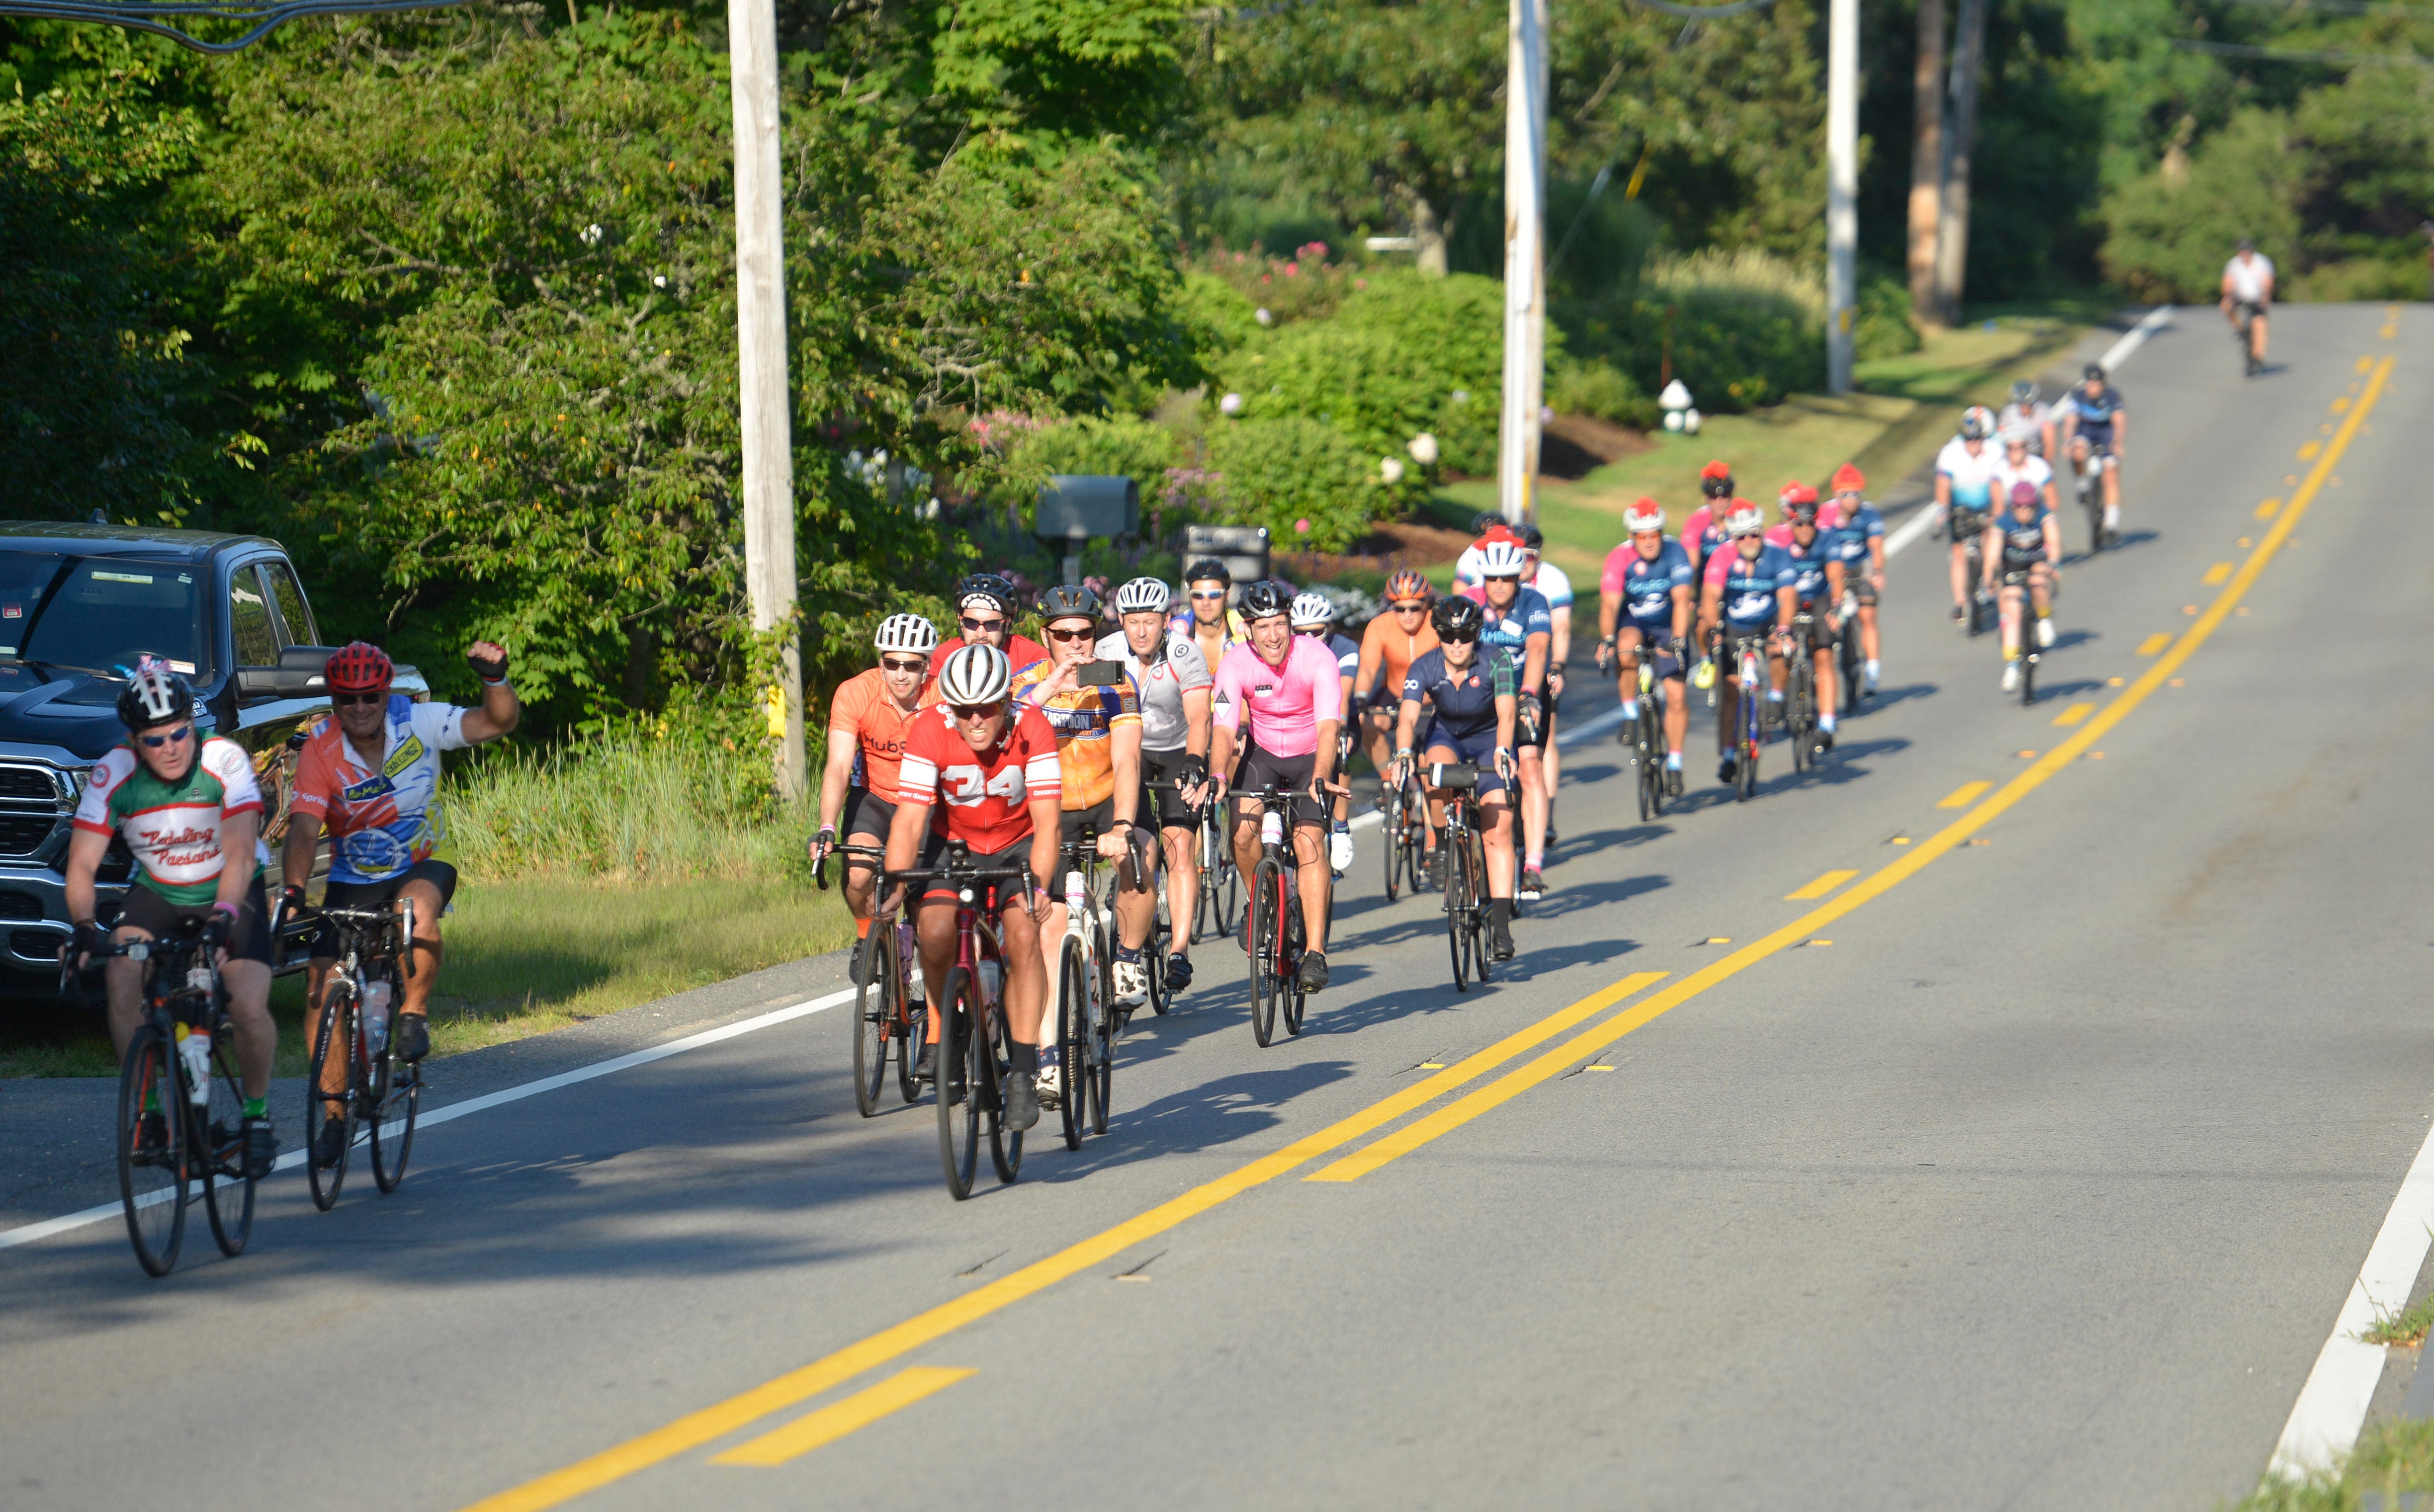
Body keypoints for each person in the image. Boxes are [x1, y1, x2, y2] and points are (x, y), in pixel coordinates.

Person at [282, 640, 521, 1167]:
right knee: (322, 989)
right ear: (336, 701)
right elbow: (302, 826)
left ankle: (413, 1013)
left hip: (423, 861)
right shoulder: (320, 747)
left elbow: (496, 723)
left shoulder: (419, 721)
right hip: (353, 874)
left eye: (370, 696)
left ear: (384, 692)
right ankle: (333, 1116)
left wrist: (496, 680)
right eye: (348, 699)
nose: (361, 707)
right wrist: (295, 890)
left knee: (413, 916)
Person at [65, 660, 280, 1180]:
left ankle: (255, 1118)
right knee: (121, 970)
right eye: (154, 740)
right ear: (134, 742)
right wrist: (85, 928)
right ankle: (150, 1113)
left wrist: (223, 921)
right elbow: (82, 864)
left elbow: (239, 855)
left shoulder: (223, 759)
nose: (171, 747)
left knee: (247, 1002)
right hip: (159, 889)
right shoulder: (113, 772)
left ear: (193, 725)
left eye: (180, 733)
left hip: (230, 887)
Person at [887, 644, 1061, 1131]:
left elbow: (1048, 825)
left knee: (1024, 933)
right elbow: (909, 822)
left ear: (1007, 701)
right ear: (949, 707)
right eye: (964, 711)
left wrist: (1040, 888)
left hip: (1017, 845)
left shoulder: (1032, 726)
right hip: (955, 845)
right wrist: (898, 885)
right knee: (935, 928)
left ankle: (1024, 1069)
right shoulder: (929, 730)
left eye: (987, 708)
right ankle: (949, 1026)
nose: (976, 721)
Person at [1010, 585, 1149, 1093]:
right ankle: (1048, 1046)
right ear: (1045, 637)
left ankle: (1129, 959)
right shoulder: (1027, 682)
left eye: (1085, 634)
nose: (1076, 644)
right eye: (1064, 635)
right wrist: (1053, 687)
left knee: (1144, 850)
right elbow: (1003, 728)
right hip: (1053, 806)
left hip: (1108, 795)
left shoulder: (1114, 679)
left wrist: (1123, 827)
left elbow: (1128, 758)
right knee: (1046, 921)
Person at [1210, 581, 1345, 993]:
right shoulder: (1235, 663)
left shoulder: (1317, 658)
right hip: (1264, 754)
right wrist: (1217, 774)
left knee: (1308, 845)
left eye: (1281, 624)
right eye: (1263, 626)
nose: (1273, 636)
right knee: (1244, 831)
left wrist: (1321, 775)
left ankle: (1316, 953)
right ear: (1248, 628)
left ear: (1291, 624)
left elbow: (1328, 728)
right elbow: (1223, 729)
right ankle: (1262, 899)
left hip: (1311, 758)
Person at [1392, 596, 1519, 960]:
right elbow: (1407, 719)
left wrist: (1504, 750)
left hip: (1489, 740)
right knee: (1434, 773)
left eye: (1465, 635)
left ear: (1477, 634)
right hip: (1447, 737)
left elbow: (1508, 714)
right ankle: (1444, 845)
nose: (1457, 643)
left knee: (1499, 827)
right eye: (1449, 636)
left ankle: (1500, 925)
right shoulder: (1425, 667)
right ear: (1439, 636)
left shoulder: (1497, 660)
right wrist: (1403, 754)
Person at [1102, 577, 1213, 993]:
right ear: (1122, 622)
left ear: (1166, 620)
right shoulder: (1107, 652)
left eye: (1150, 621)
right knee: (1138, 845)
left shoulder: (1185, 653)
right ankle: (1135, 919)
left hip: (1176, 750)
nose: (1141, 631)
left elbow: (1200, 718)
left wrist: (1193, 763)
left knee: (1180, 846)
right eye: (1132, 622)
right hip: (1126, 749)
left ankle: (1180, 951)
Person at [813, 614, 937, 946]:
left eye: (911, 665)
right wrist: (827, 826)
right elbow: (838, 766)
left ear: (926, 667)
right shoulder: (855, 692)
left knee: (924, 908)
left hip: (927, 803)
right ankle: (868, 937)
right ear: (880, 664)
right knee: (858, 875)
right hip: (876, 796)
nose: (900, 674)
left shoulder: (943, 698)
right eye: (892, 663)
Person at [1461, 536, 1553, 900]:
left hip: (1521, 692)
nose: (1499, 586)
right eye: (1492, 579)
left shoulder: (1534, 602)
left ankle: (1532, 863)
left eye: (1508, 579)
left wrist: (1530, 693)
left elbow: (1538, 647)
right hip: (1481, 697)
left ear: (1519, 578)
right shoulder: (1470, 601)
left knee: (1529, 766)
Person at [1596, 497, 1693, 792]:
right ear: (1631, 536)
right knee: (1625, 649)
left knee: (1676, 695)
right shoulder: (1618, 557)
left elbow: (1681, 601)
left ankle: (1675, 764)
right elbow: (1610, 605)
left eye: (1655, 535)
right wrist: (1607, 640)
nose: (1650, 542)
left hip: (1667, 624)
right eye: (1642, 536)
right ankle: (1629, 714)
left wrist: (1677, 640)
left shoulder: (1676, 552)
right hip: (1635, 622)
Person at [1695, 503, 1796, 786]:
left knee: (1782, 648)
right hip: (1734, 626)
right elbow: (1711, 595)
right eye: (1742, 537)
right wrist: (1715, 629)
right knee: (1729, 689)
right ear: (1733, 538)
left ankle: (1776, 697)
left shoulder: (1778, 555)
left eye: (1754, 535)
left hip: (1769, 622)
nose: (1749, 541)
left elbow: (1788, 596)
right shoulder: (1722, 556)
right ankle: (1729, 754)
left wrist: (1785, 630)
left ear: (1762, 532)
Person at [1353, 569, 1438, 814]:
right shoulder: (1380, 626)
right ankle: (1389, 780)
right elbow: (1369, 667)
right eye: (1400, 609)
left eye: (1415, 607)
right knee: (1368, 722)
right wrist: (1360, 696)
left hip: (1430, 699)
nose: (1408, 614)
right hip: (1395, 692)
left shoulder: (1436, 623)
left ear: (1426, 605)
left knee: (1427, 767)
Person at [1290, 591, 1362, 875]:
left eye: (1315, 632)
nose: (1308, 639)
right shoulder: (1284, 647)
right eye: (1300, 632)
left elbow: (1341, 696)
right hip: (1299, 719)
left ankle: (1341, 827)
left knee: (1340, 748)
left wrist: (1337, 730)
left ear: (1328, 629)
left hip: (1336, 715)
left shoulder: (1344, 648)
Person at [1780, 496, 1847, 755]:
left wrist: (1836, 605)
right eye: (1799, 524)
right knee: (1782, 651)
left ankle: (1828, 722)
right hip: (1789, 599)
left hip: (1819, 599)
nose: (1806, 529)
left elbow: (1835, 574)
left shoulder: (1827, 539)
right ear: (1790, 523)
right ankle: (1784, 698)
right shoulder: (1779, 543)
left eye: (1811, 523)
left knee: (1824, 656)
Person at [1984, 481, 2062, 693]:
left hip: (2037, 563)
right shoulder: (2003, 522)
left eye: (2029, 506)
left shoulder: (2044, 516)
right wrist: (1990, 578)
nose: (2024, 511)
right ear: (2013, 506)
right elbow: (1992, 554)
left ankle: (2044, 619)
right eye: (2019, 506)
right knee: (2013, 609)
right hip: (2012, 567)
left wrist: (2054, 564)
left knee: (2038, 581)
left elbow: (2053, 542)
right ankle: (2011, 666)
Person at [1934, 406, 2005, 624]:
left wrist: (1999, 512)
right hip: (1961, 508)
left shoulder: (1995, 451)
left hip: (1986, 505)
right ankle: (1961, 602)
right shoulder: (1951, 453)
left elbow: (2000, 483)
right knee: (1958, 553)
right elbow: (1943, 484)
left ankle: (1988, 586)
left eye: (1977, 440)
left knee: (1991, 539)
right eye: (1969, 440)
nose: (1974, 444)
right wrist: (1943, 511)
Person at [1824, 464, 1887, 695]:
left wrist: (1877, 572)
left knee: (1867, 614)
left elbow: (1877, 547)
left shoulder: (1869, 513)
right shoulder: (1825, 515)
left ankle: (1872, 670)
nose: (1852, 500)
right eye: (1846, 494)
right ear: (1836, 495)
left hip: (1860, 567)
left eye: (1856, 494)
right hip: (1834, 570)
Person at [2057, 364, 2127, 545]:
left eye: (2097, 384)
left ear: (2103, 384)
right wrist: (2068, 441)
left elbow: (2119, 421)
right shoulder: (2078, 397)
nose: (2093, 387)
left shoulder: (2112, 396)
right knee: (2078, 451)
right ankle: (2082, 484)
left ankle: (2111, 524)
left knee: (2111, 473)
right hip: (2086, 431)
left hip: (2106, 433)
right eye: (2090, 383)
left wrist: (2118, 443)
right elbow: (2071, 421)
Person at [930, 573, 1047, 679]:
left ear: (1007, 623)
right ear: (960, 622)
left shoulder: (1033, 658)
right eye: (971, 623)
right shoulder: (943, 659)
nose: (981, 634)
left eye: (992, 624)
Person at [1175, 558, 1244, 675]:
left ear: (1227, 596)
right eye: (1198, 595)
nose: (1206, 602)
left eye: (1214, 595)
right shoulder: (1175, 632)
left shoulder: (1246, 630)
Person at [2221, 238, 2275, 371]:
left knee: (2260, 324)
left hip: (2257, 298)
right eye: (2243, 252)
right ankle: (2239, 329)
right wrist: (2229, 295)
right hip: (2239, 297)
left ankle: (2258, 357)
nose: (2245, 255)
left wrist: (2265, 295)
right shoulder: (2234, 264)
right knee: (2225, 306)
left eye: (2248, 252)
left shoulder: (2262, 262)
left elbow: (2267, 280)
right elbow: (2229, 282)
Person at [1680, 461, 1738, 576]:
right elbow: (1691, 564)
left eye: (1725, 496)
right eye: (1713, 497)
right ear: (1705, 498)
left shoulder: (1741, 519)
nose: (1719, 502)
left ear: (1731, 496)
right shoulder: (1696, 521)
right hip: (1705, 582)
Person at [1998, 380, 2058, 460]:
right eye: (2021, 404)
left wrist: (2047, 463)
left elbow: (2049, 441)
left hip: (2035, 454)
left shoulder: (2043, 412)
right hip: (2013, 453)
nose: (2025, 407)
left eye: (2029, 404)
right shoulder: (2008, 413)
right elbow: (2000, 437)